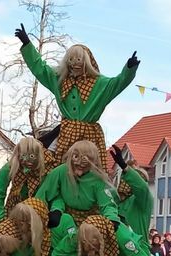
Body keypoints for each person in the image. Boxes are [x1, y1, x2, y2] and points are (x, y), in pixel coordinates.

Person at [15, 23, 139, 169]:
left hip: (90, 136)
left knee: (93, 170)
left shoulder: (100, 84)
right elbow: (40, 69)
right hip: (66, 134)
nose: (75, 64)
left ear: (86, 62)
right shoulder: (60, 80)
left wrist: (129, 69)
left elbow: (119, 82)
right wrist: (28, 45)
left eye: (78, 60)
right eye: (71, 60)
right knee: (55, 165)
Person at [0, 136, 58, 226]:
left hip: (40, 214)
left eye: (32, 156)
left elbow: (54, 194)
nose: (29, 162)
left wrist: (54, 212)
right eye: (24, 156)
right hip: (13, 213)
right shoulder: (10, 167)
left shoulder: (49, 168)